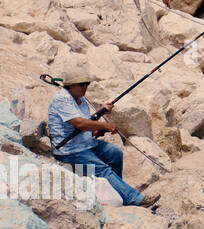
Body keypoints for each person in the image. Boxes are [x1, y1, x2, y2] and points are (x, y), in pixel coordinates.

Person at [47, 71, 155, 208]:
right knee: (102, 169)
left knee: (115, 153)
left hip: (86, 144)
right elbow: (80, 123)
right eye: (81, 85)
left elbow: (87, 121)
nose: (85, 87)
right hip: (69, 150)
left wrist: (102, 110)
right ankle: (134, 198)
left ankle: (118, 191)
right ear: (71, 86)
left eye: (87, 84)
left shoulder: (80, 99)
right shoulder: (62, 100)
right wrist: (106, 125)